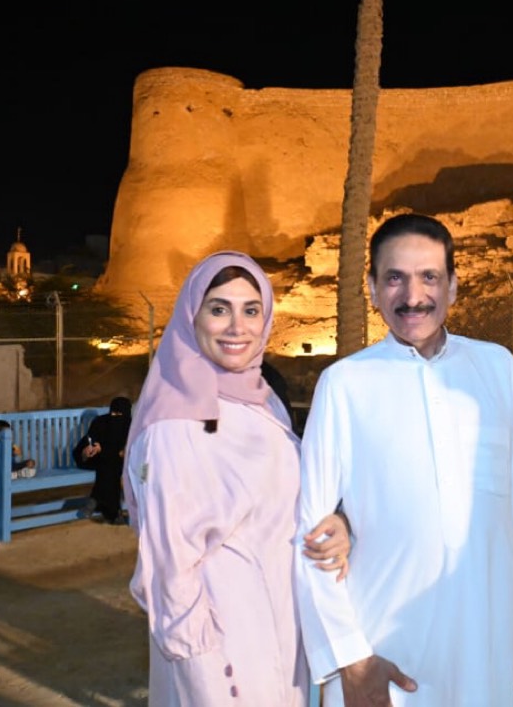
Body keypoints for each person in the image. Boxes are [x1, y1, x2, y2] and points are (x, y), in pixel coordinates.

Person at [294, 213, 513, 706]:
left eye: (429, 277)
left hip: (491, 648)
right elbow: (311, 536)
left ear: (453, 286)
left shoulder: (496, 369)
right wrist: (351, 659)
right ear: (372, 288)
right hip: (386, 659)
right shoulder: (345, 385)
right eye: (395, 278)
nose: (413, 296)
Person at [122, 251, 353, 706]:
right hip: (222, 654)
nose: (236, 327)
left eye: (250, 310)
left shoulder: (263, 403)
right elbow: (169, 574)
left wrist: (336, 524)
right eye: (218, 309)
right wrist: (208, 678)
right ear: (192, 317)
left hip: (280, 631)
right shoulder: (176, 422)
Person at [73, 397, 132, 523]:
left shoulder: (131, 426)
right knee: (111, 463)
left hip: (119, 462)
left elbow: (125, 452)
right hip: (96, 459)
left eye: (119, 414)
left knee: (111, 463)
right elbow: (89, 440)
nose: (114, 417)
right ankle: (113, 512)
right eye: (113, 413)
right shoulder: (101, 422)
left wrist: (104, 449)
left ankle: (95, 499)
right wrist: (88, 449)